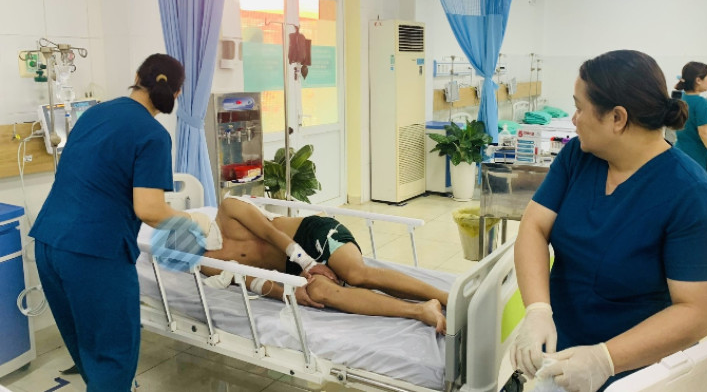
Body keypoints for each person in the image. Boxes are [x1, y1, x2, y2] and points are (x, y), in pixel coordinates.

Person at [510, 50, 707, 391]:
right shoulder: (579, 157)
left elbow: (699, 312)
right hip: (560, 356)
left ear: (617, 118)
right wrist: (538, 308)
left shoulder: (693, 197)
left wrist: (605, 358)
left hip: (635, 372)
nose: (574, 118)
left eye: (580, 107)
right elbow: (535, 227)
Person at [30, 54, 196, 392]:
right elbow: (150, 209)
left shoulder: (93, 114)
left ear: (136, 76)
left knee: (88, 351)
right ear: (176, 95)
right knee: (113, 357)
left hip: (49, 243)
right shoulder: (153, 135)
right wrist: (191, 221)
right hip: (94, 254)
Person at [189, 196, 448, 333]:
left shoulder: (229, 209)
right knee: (319, 293)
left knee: (355, 274)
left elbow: (270, 233)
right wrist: (291, 294)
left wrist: (308, 262)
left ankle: (446, 297)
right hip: (292, 270)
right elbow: (252, 281)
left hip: (312, 235)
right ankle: (421, 310)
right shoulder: (207, 262)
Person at [673, 62, 707, 170]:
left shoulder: (680, 99)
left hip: (680, 154)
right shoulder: (701, 103)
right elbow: (705, 134)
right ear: (698, 80)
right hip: (698, 158)